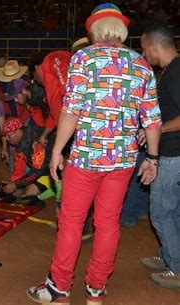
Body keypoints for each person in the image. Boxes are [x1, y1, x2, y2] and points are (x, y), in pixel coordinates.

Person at [27, 4, 162, 304]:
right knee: (108, 224)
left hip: (86, 159)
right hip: (123, 160)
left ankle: (59, 288)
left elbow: (71, 109)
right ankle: (96, 289)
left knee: (72, 222)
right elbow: (152, 118)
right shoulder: (141, 64)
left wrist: (57, 151)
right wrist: (152, 158)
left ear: (93, 31)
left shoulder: (84, 58)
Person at [140, 24, 180, 289]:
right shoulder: (170, 70)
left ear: (155, 46)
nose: (144, 54)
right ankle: (170, 255)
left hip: (172, 153)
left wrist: (158, 129)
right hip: (171, 151)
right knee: (173, 209)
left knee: (161, 210)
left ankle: (176, 267)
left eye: (144, 49)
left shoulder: (176, 72)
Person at [0, 118, 54, 200]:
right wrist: (14, 183)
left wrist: (16, 185)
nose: (6, 139)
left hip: (50, 171)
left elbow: (39, 170)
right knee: (15, 193)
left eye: (8, 135)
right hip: (40, 171)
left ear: (18, 131)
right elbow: (19, 167)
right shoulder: (19, 144)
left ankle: (55, 188)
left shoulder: (36, 142)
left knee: (29, 194)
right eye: (5, 136)